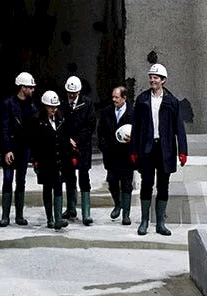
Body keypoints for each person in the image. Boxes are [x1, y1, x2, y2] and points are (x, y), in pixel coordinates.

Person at [130, 63, 188, 236]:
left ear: (163, 80)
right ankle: (144, 221)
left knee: (163, 185)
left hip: (165, 149)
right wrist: (133, 150)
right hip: (147, 148)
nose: (152, 80)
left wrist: (183, 151)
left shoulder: (172, 101)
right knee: (146, 183)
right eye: (151, 77)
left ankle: (160, 222)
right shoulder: (142, 100)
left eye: (155, 77)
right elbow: (136, 126)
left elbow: (179, 127)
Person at [0, 71, 38, 227]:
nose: (32, 90)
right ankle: (5, 216)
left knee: (21, 181)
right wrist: (7, 150)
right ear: (22, 87)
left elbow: (33, 131)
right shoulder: (8, 104)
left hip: (24, 148)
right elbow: (4, 128)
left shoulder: (32, 107)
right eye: (30, 87)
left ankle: (19, 216)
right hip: (11, 147)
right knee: (7, 179)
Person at [31, 90, 75, 230]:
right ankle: (50, 218)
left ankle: (58, 218)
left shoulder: (61, 118)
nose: (53, 110)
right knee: (47, 187)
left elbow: (64, 134)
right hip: (45, 159)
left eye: (55, 107)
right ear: (45, 106)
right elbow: (34, 143)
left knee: (58, 187)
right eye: (51, 107)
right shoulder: (38, 120)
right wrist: (35, 160)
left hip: (59, 159)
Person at [96, 84, 134, 224]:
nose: (114, 100)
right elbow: (100, 132)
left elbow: (139, 130)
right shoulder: (107, 112)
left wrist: (133, 140)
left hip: (126, 154)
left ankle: (126, 214)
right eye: (113, 97)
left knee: (126, 183)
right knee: (112, 181)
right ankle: (118, 204)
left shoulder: (133, 112)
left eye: (116, 97)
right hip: (111, 154)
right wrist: (104, 147)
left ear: (124, 98)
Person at [61, 75, 96, 225]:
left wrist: (78, 140)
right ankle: (71, 208)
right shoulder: (63, 105)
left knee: (84, 177)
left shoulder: (87, 104)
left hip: (83, 146)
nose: (72, 95)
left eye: (74, 93)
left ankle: (86, 212)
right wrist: (67, 139)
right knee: (69, 177)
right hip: (67, 145)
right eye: (69, 93)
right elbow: (60, 124)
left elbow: (90, 125)